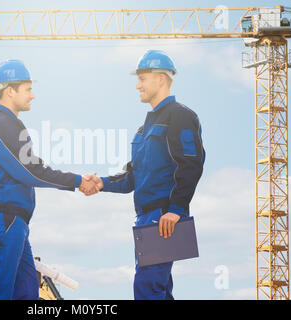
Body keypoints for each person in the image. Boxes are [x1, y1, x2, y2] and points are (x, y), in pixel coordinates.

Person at [84, 50, 205, 300]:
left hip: (163, 217)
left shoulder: (180, 116)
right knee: (158, 290)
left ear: (161, 79)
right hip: (147, 218)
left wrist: (177, 208)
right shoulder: (145, 126)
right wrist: (102, 183)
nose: (137, 85)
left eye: (142, 78)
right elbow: (132, 176)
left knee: (147, 288)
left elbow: (191, 163)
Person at [0, 59, 98, 300]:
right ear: (10, 90)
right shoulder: (1, 125)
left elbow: (30, 168)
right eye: (28, 89)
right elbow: (31, 171)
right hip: (5, 219)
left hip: (13, 221)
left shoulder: (7, 126)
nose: (33, 96)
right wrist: (77, 180)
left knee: (28, 293)